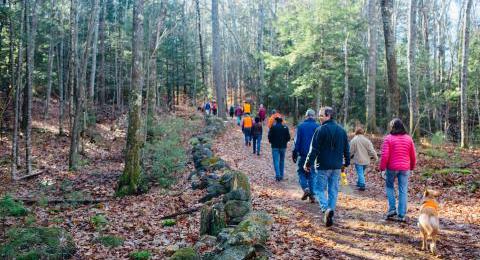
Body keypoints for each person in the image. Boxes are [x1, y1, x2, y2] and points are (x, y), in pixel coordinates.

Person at [304, 106, 349, 227]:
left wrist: (307, 163)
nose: (319, 117)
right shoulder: (342, 130)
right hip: (336, 166)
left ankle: (325, 209)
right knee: (333, 190)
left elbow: (314, 149)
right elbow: (346, 149)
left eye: (321, 115)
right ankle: (330, 213)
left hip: (323, 165)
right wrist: (346, 163)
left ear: (328, 116)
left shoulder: (320, 130)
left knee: (319, 189)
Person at [379, 118, 416, 222]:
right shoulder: (409, 138)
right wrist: (412, 167)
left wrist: (382, 169)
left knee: (389, 186)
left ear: (392, 127)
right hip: (405, 168)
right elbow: (413, 155)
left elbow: (385, 156)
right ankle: (401, 214)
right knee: (403, 190)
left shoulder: (388, 138)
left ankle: (392, 209)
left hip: (392, 167)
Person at [292, 109, 320, 203]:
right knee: (312, 174)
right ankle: (312, 195)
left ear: (306, 116)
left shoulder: (301, 126)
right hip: (314, 156)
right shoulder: (318, 127)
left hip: (303, 155)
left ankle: (306, 189)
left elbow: (297, 141)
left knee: (301, 172)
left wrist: (294, 153)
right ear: (314, 116)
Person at [350, 126, 378, 191]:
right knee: (361, 172)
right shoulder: (367, 140)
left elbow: (351, 151)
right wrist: (375, 157)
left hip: (358, 160)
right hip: (366, 161)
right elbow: (371, 150)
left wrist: (348, 157)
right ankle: (359, 182)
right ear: (363, 133)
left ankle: (362, 184)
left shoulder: (354, 140)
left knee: (360, 172)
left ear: (356, 132)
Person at [268, 117, 291, 181]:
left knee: (276, 161)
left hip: (275, 146)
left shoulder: (273, 127)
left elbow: (269, 136)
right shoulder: (285, 128)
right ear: (281, 121)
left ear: (276, 121)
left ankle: (277, 175)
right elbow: (288, 137)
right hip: (283, 147)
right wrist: (285, 141)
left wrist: (271, 141)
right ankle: (281, 175)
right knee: (282, 161)